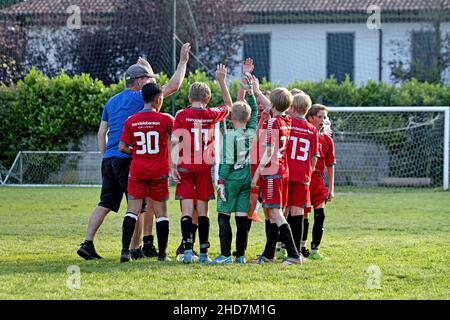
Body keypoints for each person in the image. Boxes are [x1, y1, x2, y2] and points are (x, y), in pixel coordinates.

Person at [76, 43, 191, 260]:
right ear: (139, 82)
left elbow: (102, 133)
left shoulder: (111, 101)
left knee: (105, 204)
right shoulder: (142, 98)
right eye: (148, 80)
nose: (152, 84)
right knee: (138, 205)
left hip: (109, 159)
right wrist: (183, 60)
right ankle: (135, 248)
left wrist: (105, 156)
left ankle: (87, 242)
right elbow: (174, 85)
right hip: (129, 158)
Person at [170, 64, 232, 264]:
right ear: (207, 99)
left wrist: (172, 166)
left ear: (189, 98)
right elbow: (229, 106)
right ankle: (204, 254)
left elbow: (174, 141)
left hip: (185, 167)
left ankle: (187, 252)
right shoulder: (211, 114)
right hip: (205, 167)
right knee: (203, 212)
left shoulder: (181, 115)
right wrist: (222, 81)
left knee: (187, 211)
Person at [118, 83, 173, 262]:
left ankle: (125, 252)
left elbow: (122, 147)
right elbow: (179, 138)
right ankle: (163, 255)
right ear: (158, 100)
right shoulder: (166, 119)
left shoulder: (131, 120)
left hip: (138, 171)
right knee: (161, 213)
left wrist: (137, 152)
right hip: (159, 172)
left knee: (132, 211)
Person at [211, 64, 258, 264]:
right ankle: (241, 256)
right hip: (246, 181)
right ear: (248, 118)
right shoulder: (252, 130)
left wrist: (220, 182)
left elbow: (227, 162)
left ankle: (225, 255)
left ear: (232, 117)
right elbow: (254, 110)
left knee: (223, 215)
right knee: (241, 218)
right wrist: (251, 91)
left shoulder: (231, 136)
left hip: (231, 180)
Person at [251, 88, 302, 265]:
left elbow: (269, 149)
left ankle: (294, 255)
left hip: (272, 172)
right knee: (273, 215)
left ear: (272, 103)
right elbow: (259, 136)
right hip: (283, 170)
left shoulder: (273, 122)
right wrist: (256, 91)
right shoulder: (286, 120)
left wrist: (258, 171)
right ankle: (268, 254)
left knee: (275, 213)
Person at [285, 93, 319, 256]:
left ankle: (280, 248)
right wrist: (309, 173)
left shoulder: (287, 123)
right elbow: (314, 157)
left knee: (281, 211)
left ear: (292, 107)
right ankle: (297, 251)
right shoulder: (313, 130)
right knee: (298, 213)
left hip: (285, 173)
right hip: (303, 176)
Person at [303, 104, 335, 260]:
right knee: (302, 216)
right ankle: (300, 246)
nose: (323, 120)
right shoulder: (304, 135)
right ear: (310, 117)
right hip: (304, 179)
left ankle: (315, 249)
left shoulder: (327, 140)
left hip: (318, 182)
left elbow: (330, 165)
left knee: (320, 215)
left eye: (324, 117)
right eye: (320, 116)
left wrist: (331, 188)